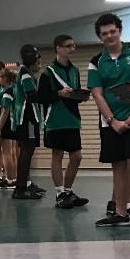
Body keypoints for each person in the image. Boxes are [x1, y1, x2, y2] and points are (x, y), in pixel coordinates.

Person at [89, 14, 130, 227]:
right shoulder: (96, 62)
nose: (110, 36)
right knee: (118, 165)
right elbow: (97, 94)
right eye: (104, 33)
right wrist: (112, 120)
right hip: (111, 122)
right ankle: (120, 211)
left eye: (113, 31)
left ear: (120, 31)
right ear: (100, 37)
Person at [37, 34, 89, 208]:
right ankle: (60, 193)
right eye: (68, 46)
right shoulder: (48, 72)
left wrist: (80, 96)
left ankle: (68, 190)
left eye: (73, 46)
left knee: (77, 156)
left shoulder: (74, 70)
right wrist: (58, 94)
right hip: (55, 119)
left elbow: (74, 91)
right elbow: (41, 97)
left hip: (72, 119)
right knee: (57, 155)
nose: (72, 49)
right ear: (58, 48)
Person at [12, 44, 45, 199]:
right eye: (37, 59)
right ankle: (21, 187)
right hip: (28, 117)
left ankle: (21, 186)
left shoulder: (26, 73)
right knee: (27, 151)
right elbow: (31, 96)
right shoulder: (25, 73)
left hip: (23, 117)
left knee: (25, 151)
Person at [0, 68, 19, 189]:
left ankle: (10, 180)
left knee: (7, 153)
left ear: (4, 79)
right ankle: (14, 177)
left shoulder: (7, 92)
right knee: (13, 152)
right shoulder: (16, 89)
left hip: (9, 124)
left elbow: (5, 112)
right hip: (16, 124)